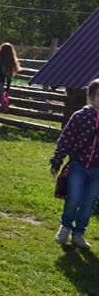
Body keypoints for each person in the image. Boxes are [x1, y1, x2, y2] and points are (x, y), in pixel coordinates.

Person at [51, 78, 99, 249]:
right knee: (74, 197)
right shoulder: (80, 116)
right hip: (78, 165)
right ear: (91, 97)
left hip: (97, 170)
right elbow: (65, 140)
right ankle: (64, 228)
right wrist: (56, 161)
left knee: (89, 202)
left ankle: (78, 234)